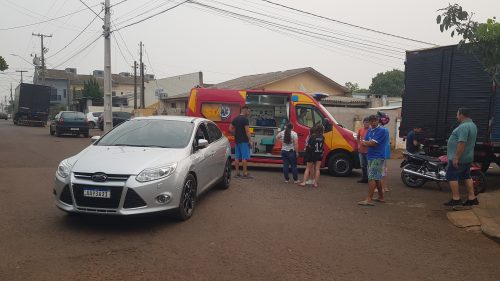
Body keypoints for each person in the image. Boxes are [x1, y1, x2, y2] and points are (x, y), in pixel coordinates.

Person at [444, 107, 478, 207]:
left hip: (460, 158)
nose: (456, 116)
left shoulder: (464, 127)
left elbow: (462, 143)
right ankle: (472, 198)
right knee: (466, 176)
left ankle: (456, 199)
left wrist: (456, 157)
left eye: (457, 114)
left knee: (451, 176)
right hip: (467, 157)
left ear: (462, 115)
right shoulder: (473, 125)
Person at [358, 115, 387, 206]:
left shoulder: (382, 130)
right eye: (371, 121)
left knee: (371, 178)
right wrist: (367, 142)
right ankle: (381, 197)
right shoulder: (370, 130)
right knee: (376, 178)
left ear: (378, 121)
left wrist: (366, 142)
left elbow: (373, 143)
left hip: (377, 157)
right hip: (371, 156)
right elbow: (365, 141)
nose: (373, 123)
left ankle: (369, 199)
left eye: (374, 121)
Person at [229, 105, 253, 179]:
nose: (249, 113)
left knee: (236, 157)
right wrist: (250, 140)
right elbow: (247, 131)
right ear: (244, 110)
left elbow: (230, 129)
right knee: (244, 158)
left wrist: (235, 134)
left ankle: (237, 173)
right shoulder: (245, 119)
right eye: (248, 111)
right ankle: (245, 173)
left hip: (237, 141)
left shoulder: (235, 119)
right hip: (244, 141)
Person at [357, 117, 370, 183]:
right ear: (363, 123)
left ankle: (370, 179)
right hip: (361, 151)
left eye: (367, 122)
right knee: (363, 165)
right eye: (365, 122)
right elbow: (358, 137)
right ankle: (364, 178)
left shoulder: (371, 130)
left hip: (368, 151)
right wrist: (358, 144)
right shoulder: (360, 130)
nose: (366, 123)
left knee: (369, 165)